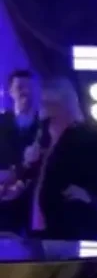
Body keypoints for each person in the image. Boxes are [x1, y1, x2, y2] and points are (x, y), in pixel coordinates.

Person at [9, 77, 97, 239]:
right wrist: (19, 186)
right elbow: (32, 175)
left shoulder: (85, 137)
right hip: (35, 228)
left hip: (68, 225)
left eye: (49, 103)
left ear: (63, 104)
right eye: (43, 103)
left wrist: (91, 194)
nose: (43, 107)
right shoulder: (40, 137)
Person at [0, 68, 40, 230]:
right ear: (10, 91)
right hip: (4, 199)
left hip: (36, 202)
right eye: (20, 87)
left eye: (29, 87)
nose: (26, 92)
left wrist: (23, 184)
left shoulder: (46, 125)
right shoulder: (1, 123)